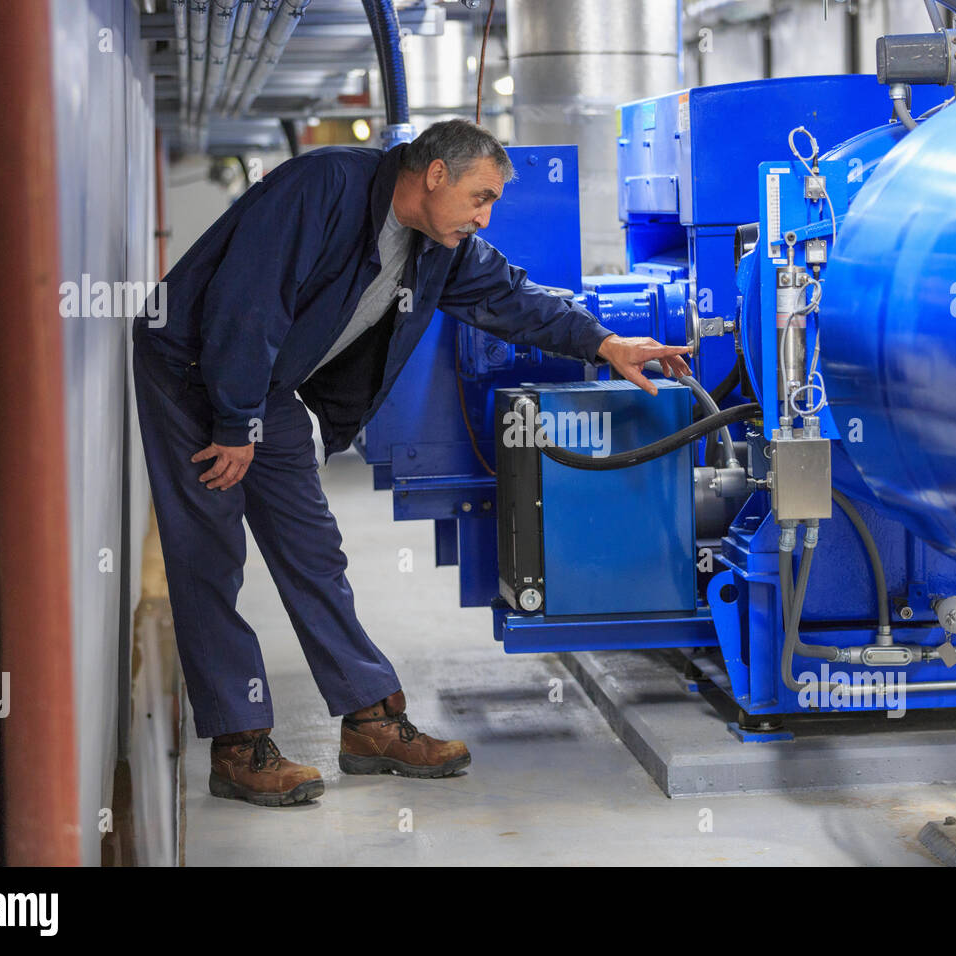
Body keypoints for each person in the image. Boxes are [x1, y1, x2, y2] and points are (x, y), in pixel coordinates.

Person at [132, 119, 691, 807]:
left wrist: (604, 342)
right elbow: (248, 302)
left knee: (313, 549)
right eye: (479, 197)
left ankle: (370, 719)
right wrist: (235, 421)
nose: (484, 217)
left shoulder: (440, 246)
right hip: (191, 361)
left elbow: (511, 299)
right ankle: (239, 744)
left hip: (261, 381)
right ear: (434, 175)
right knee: (210, 552)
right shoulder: (325, 187)